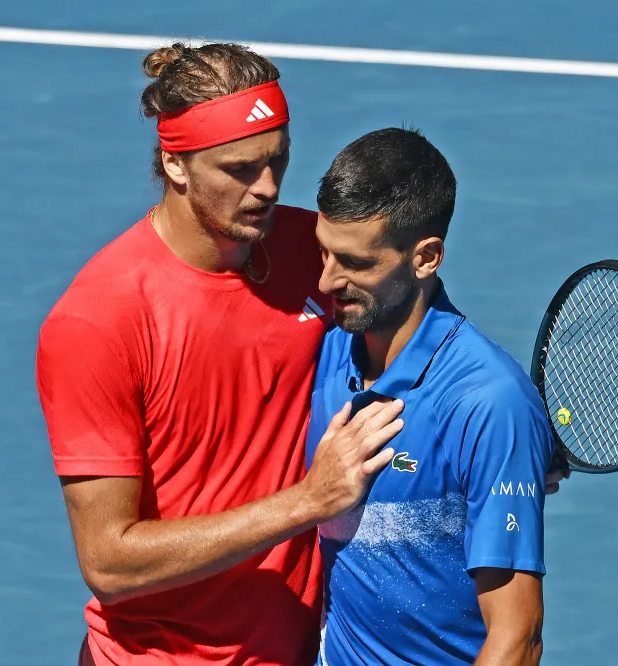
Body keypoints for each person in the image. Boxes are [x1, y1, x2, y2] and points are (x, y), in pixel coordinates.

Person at [35, 43, 407, 666]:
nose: (265, 188)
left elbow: (412, 345)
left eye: (277, 162)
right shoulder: (99, 320)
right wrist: (310, 501)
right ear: (176, 164)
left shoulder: (311, 252)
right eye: (239, 169)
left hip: (302, 648)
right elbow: (109, 561)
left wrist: (489, 436)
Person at [306, 127, 556, 666]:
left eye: (355, 263)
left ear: (426, 257)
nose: (327, 281)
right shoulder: (321, 349)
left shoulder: (487, 404)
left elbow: (517, 638)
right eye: (324, 252)